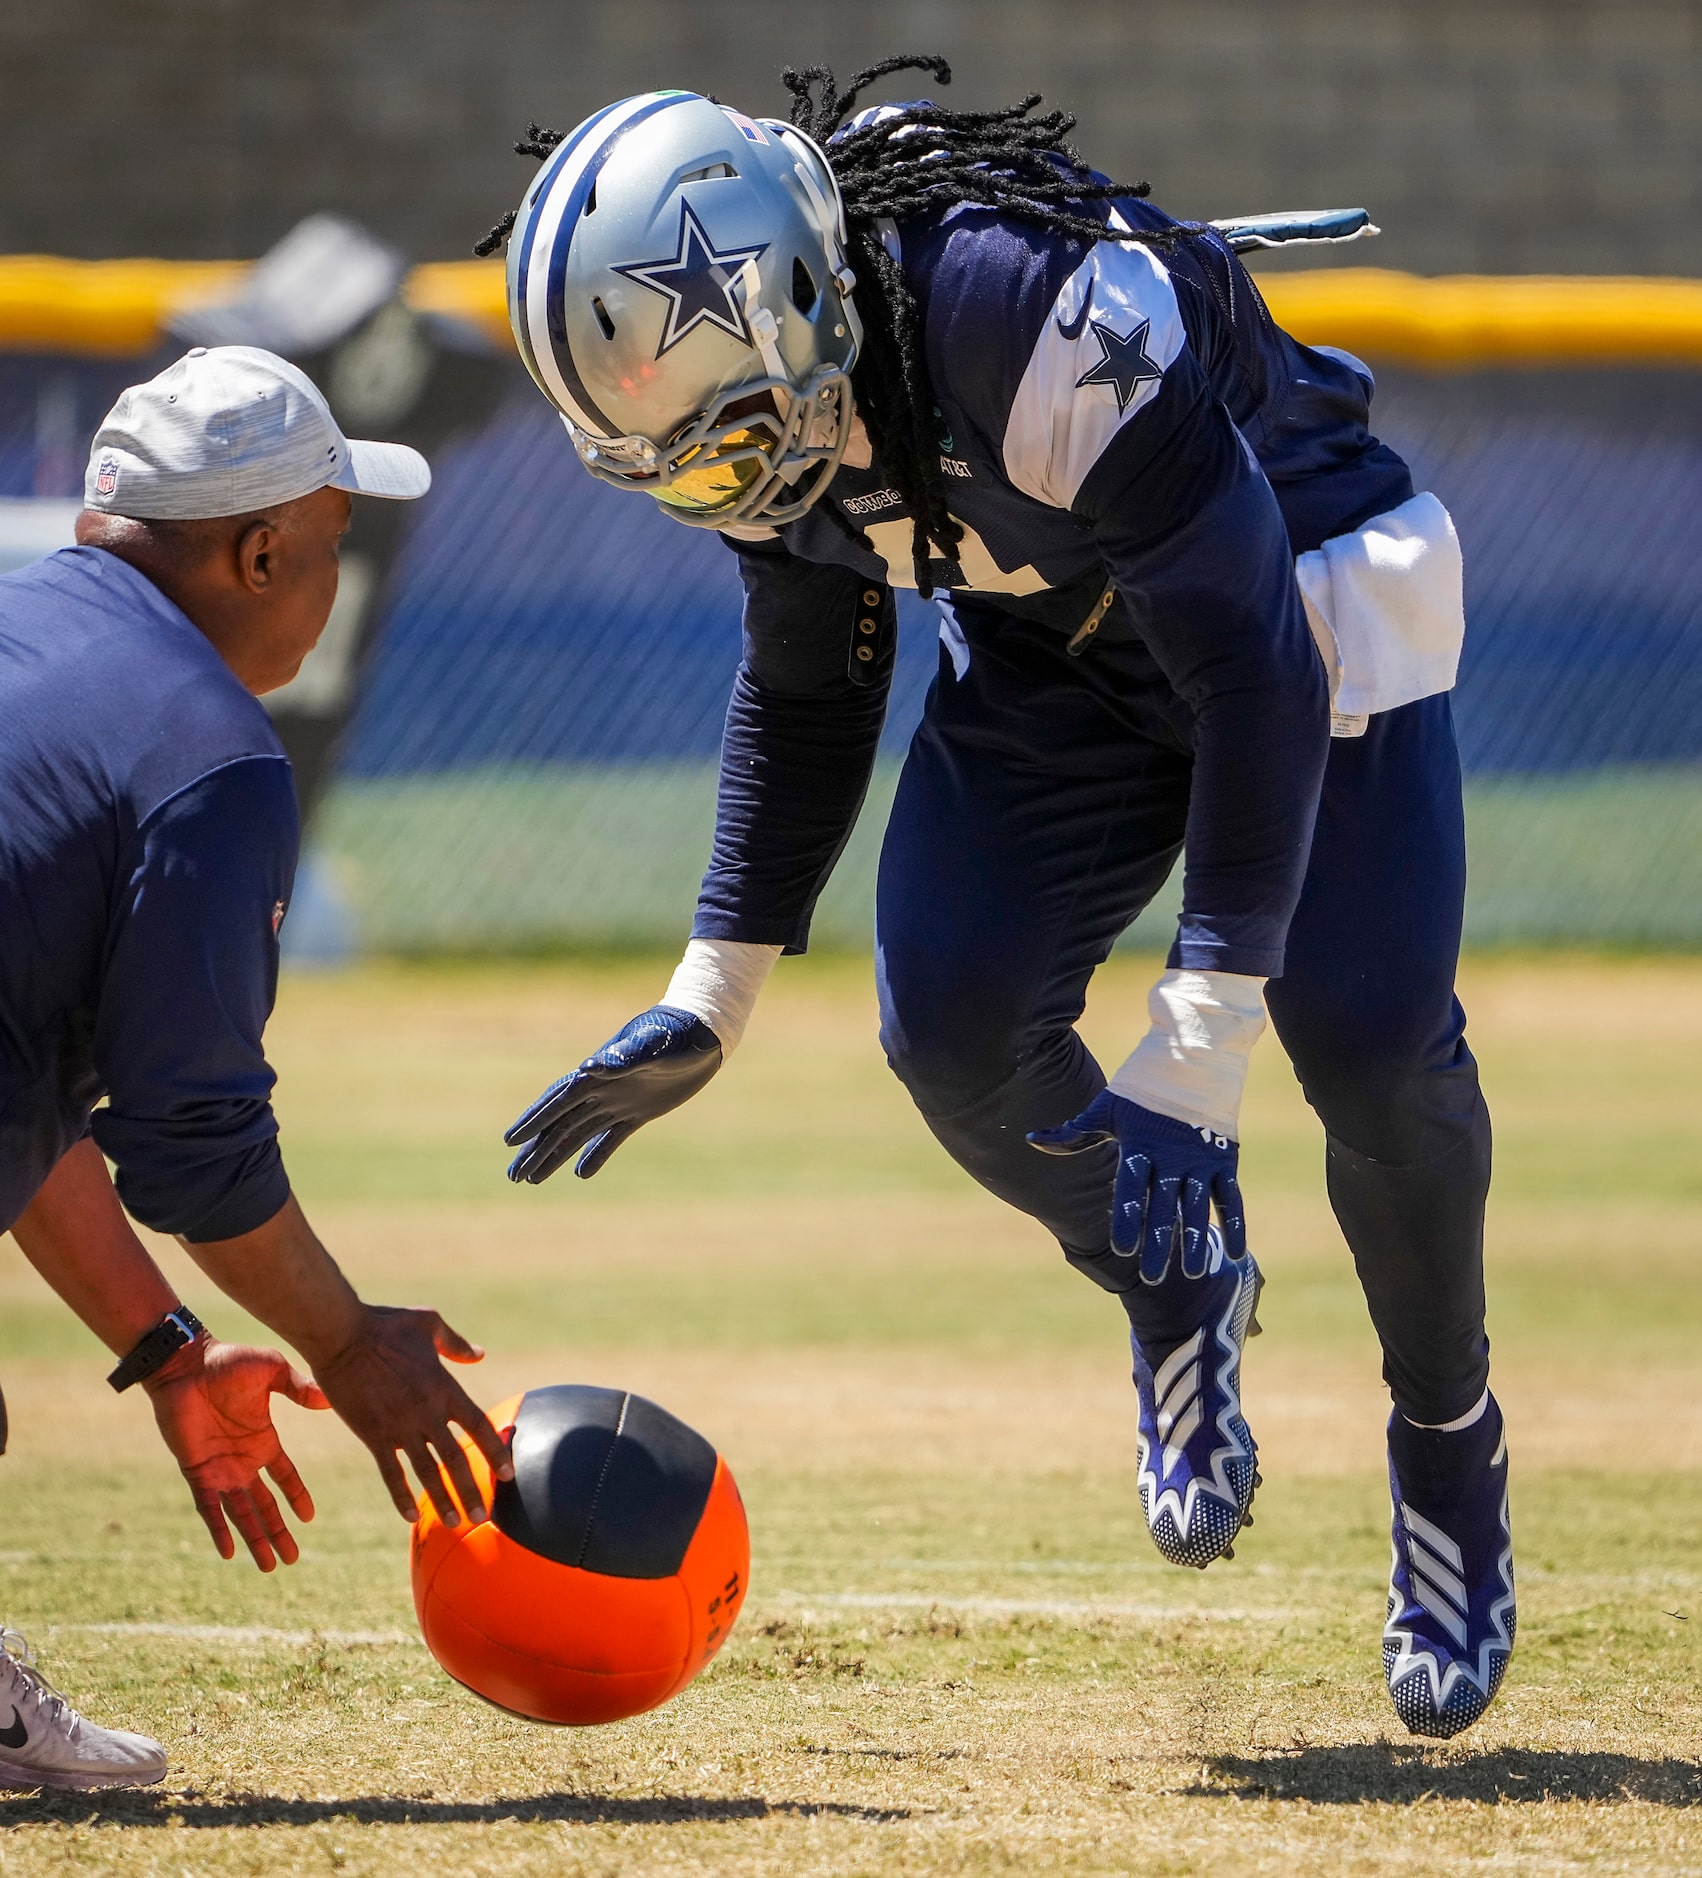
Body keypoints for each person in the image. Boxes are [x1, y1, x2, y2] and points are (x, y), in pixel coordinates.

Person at [480, 61, 1512, 1740]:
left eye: (730, 441)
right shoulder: (767, 378)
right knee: (950, 1022)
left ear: (803, 296)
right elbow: (807, 679)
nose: (723, 487)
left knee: (1372, 1046)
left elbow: (1252, 672)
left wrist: (1190, 1053)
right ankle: (1174, 1278)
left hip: (1297, 605)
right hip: (1061, 651)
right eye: (674, 464)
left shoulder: (1027, 317)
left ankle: (1444, 1445)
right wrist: (713, 992)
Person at [0, 346, 511, 1791]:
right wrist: (350, 1347)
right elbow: (193, 1142)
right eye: (334, 543)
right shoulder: (205, 754)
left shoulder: (24, 634)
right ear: (260, 545)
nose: (333, 578)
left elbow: (18, 1101)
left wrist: (164, 1344)